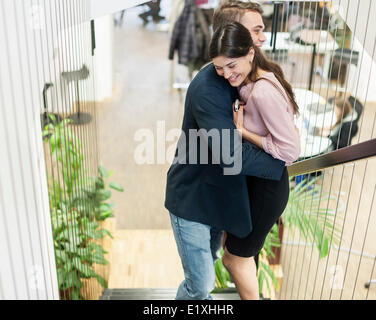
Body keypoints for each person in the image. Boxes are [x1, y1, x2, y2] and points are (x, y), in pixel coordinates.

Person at [164, 1, 286, 300]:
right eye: (255, 31)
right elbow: (230, 153)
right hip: (193, 201)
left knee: (210, 267)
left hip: (217, 197)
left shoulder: (243, 77)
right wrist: (280, 159)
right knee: (201, 285)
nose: (261, 38)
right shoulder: (209, 87)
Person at [209, 21, 301, 300]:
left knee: (233, 259)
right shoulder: (259, 77)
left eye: (231, 65)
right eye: (219, 68)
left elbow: (290, 150)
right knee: (240, 256)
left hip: (267, 190)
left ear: (250, 53)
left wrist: (243, 132)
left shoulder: (261, 92)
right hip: (260, 185)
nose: (226, 74)